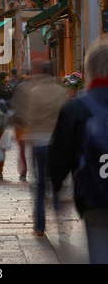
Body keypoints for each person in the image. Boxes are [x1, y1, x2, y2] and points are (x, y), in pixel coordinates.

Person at [49, 37, 108, 264]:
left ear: (90, 70)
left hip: (95, 195)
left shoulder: (75, 109)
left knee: (100, 253)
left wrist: (56, 187)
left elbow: (59, 157)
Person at [25, 59, 67, 237]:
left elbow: (31, 117)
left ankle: (40, 226)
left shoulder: (35, 92)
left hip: (39, 143)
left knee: (40, 185)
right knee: (56, 181)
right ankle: (60, 217)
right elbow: (66, 117)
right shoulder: (61, 92)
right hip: (56, 144)